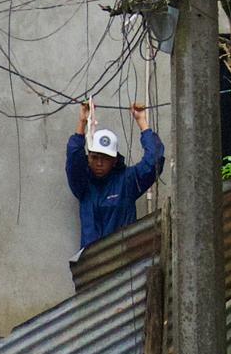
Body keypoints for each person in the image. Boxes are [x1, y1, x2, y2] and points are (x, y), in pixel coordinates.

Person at [64, 102, 164, 254]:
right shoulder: (83, 184)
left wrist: (142, 121)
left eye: (105, 158)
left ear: (115, 160)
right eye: (94, 157)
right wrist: (82, 122)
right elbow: (73, 159)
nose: (99, 163)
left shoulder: (127, 181)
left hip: (123, 259)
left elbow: (154, 161)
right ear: (88, 158)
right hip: (90, 262)